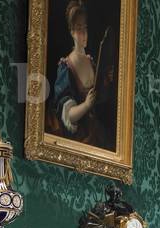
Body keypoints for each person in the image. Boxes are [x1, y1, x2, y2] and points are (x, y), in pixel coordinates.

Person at [51, 1, 112, 147]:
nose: (84, 34)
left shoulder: (91, 61)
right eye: (79, 29)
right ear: (72, 32)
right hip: (79, 138)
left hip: (96, 132)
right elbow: (67, 115)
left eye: (85, 28)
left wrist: (107, 80)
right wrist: (85, 105)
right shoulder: (66, 67)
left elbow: (101, 98)